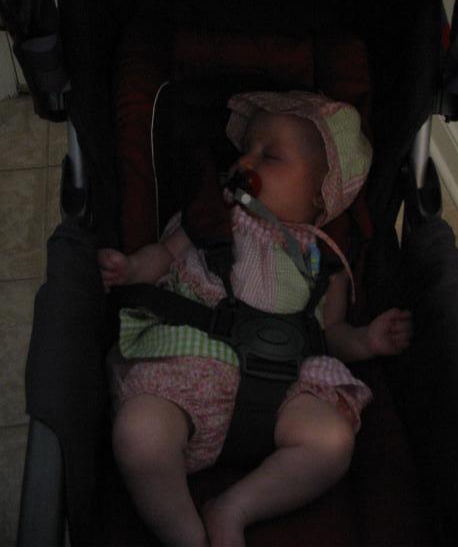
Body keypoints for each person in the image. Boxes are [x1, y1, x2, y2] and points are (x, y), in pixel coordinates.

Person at [98, 90, 412, 547]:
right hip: (191, 370)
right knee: (138, 433)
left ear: (320, 193)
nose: (246, 161)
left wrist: (367, 340)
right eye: (246, 149)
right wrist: (129, 268)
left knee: (333, 441)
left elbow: (332, 333)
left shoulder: (324, 260)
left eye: (271, 155)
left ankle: (235, 508)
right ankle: (186, 534)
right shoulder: (211, 216)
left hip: (286, 390)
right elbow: (162, 257)